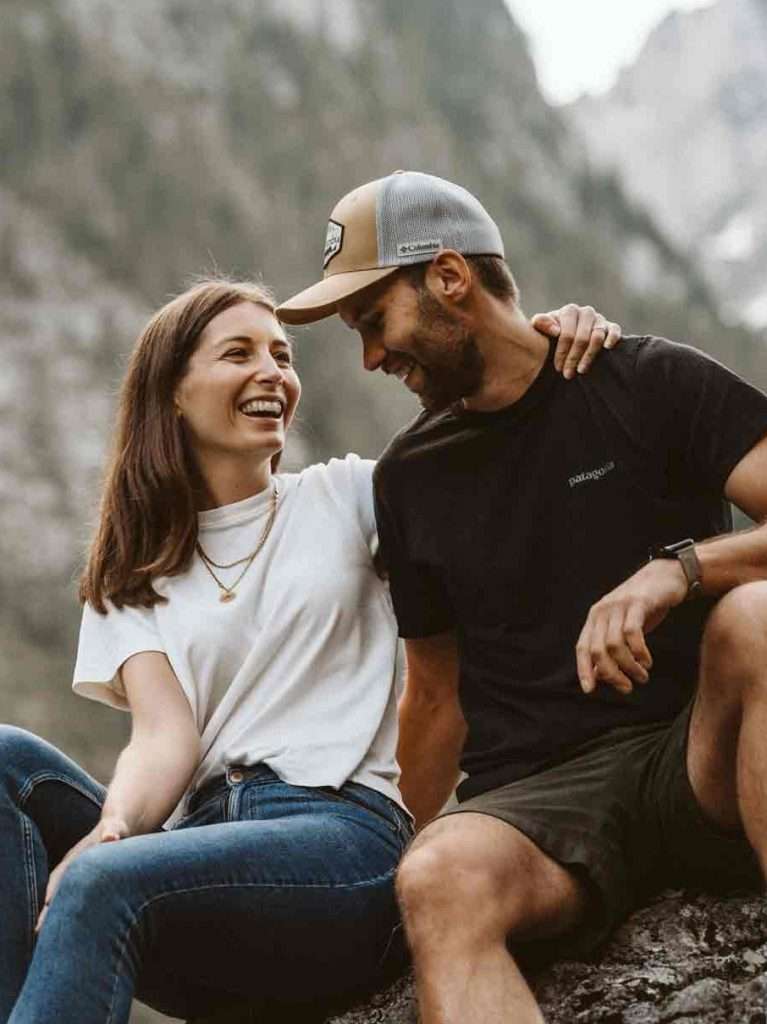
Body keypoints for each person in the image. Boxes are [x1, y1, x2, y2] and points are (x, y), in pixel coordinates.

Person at [0, 278, 614, 1024]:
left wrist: (540, 350)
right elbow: (165, 736)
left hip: (338, 846)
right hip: (199, 857)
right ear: (172, 393)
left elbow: (496, 461)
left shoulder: (351, 495)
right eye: (239, 353)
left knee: (102, 880)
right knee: (7, 762)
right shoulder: (131, 572)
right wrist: (117, 826)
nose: (273, 373)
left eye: (281, 356)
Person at [277, 170, 767, 1024]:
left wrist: (676, 571)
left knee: (757, 617)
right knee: (437, 879)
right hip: (536, 804)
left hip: (699, 755)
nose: (369, 357)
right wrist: (383, 854)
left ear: (448, 277)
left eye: (373, 322)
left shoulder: (646, 382)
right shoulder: (409, 478)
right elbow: (433, 695)